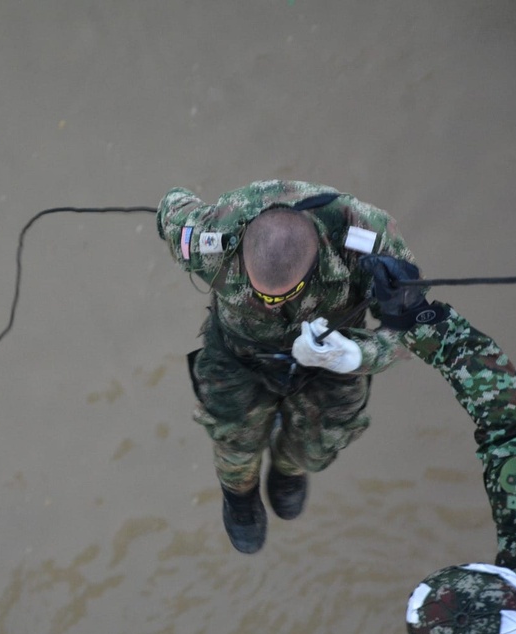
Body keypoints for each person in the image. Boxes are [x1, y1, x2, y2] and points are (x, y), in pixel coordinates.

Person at [155, 180, 422, 553]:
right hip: (240, 354)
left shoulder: (365, 240)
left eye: (280, 295)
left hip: (333, 354)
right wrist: (177, 203)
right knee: (233, 436)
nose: (269, 304)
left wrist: (361, 354)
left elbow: (416, 328)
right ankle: (239, 493)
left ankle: (289, 468)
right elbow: (170, 209)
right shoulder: (213, 234)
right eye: (259, 293)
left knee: (320, 441)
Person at [361, 254, 516, 634]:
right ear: (510, 585)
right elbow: (507, 422)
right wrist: (419, 318)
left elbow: (506, 424)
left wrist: (416, 319)